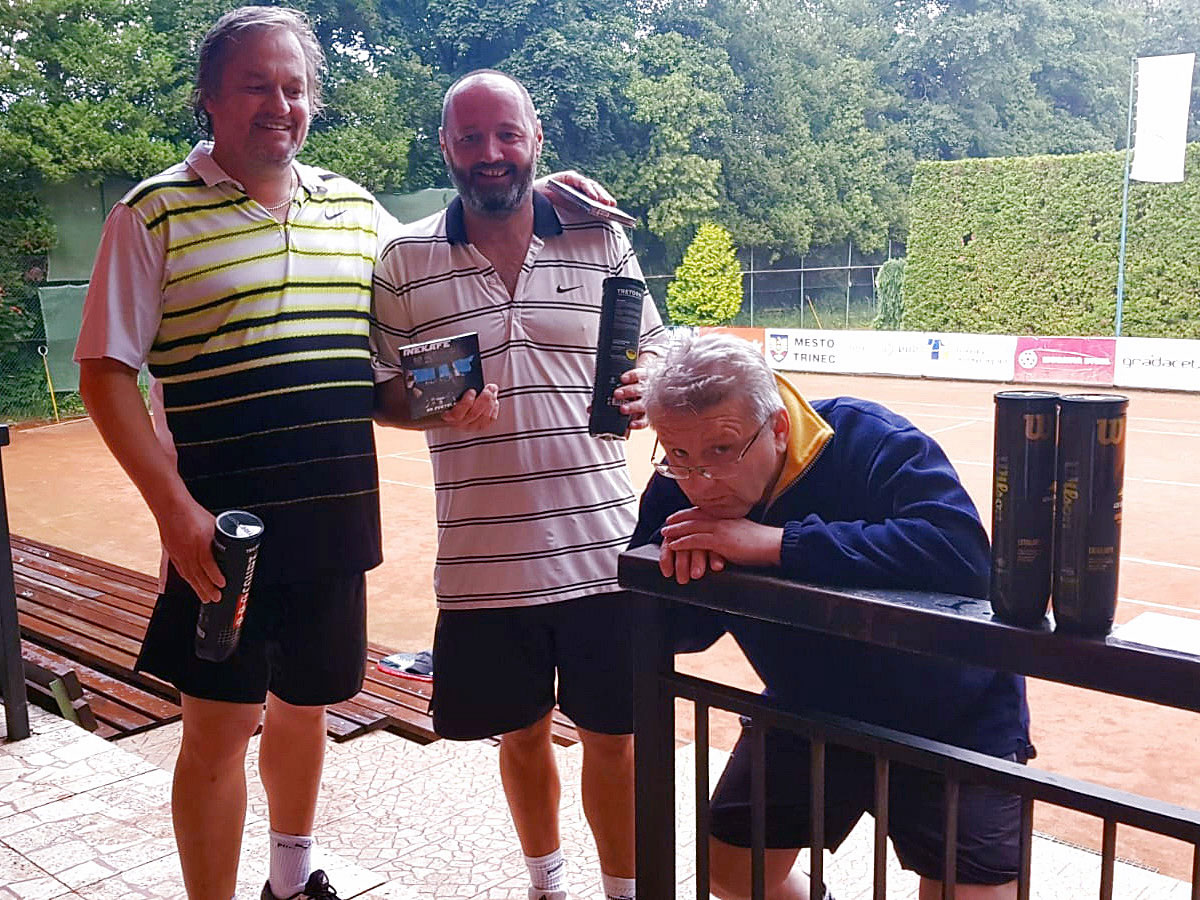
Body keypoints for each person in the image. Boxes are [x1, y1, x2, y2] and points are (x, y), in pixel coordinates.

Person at [75, 7, 389, 899]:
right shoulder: (152, 213)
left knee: (306, 706)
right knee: (217, 732)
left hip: (334, 522)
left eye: (294, 87)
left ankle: (289, 884)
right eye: (256, 85)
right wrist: (175, 512)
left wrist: (537, 194)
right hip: (222, 537)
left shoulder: (357, 211)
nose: (278, 105)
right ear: (209, 97)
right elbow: (104, 374)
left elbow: (439, 272)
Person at [371, 70, 665, 900]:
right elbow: (382, 392)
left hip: (605, 553)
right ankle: (546, 886)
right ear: (446, 147)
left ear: (535, 138)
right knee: (521, 736)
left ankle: (622, 892)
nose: (490, 153)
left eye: (507, 134)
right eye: (470, 137)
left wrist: (648, 382)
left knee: (615, 741)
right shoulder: (404, 259)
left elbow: (653, 345)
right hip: (485, 564)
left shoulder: (599, 235)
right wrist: (433, 407)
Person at [628, 333, 1033, 900]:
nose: (701, 481)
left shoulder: (872, 439)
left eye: (722, 450)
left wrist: (777, 544)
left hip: (954, 713)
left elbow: (961, 554)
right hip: (807, 705)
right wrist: (692, 575)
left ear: (777, 427)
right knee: (729, 869)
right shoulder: (678, 488)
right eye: (677, 455)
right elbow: (678, 632)